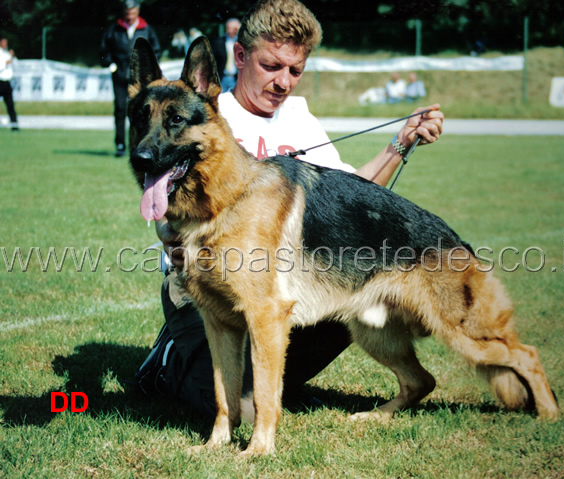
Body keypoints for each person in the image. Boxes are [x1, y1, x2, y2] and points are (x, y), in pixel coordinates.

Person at [134, 0, 444, 421]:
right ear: (241, 57)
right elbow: (171, 228)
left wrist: (401, 143)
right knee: (222, 405)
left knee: (343, 289)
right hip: (207, 289)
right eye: (271, 65)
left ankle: (274, 387)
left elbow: (352, 200)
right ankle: (171, 357)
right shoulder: (206, 120)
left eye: (294, 71)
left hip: (278, 288)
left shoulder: (298, 116)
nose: (283, 82)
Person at [100, 0, 161, 157]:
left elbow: (157, 50)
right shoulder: (114, 29)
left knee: (141, 112)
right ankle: (120, 144)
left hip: (141, 81)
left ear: (137, 12)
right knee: (120, 109)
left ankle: (139, 144)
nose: (130, 15)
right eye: (127, 13)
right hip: (120, 76)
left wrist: (150, 69)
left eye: (132, 12)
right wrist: (110, 63)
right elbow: (103, 50)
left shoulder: (146, 29)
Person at [212, 18, 241, 93]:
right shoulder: (219, 42)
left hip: (237, 78)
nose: (231, 30)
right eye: (229, 28)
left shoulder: (241, 42)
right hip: (222, 77)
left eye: (234, 28)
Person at [0, 36, 19, 131]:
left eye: (6, 42)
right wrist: (6, 62)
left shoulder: (8, 54)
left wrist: (13, 57)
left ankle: (14, 125)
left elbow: (16, 66)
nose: (5, 44)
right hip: (0, 82)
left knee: (10, 104)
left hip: (7, 83)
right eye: (3, 42)